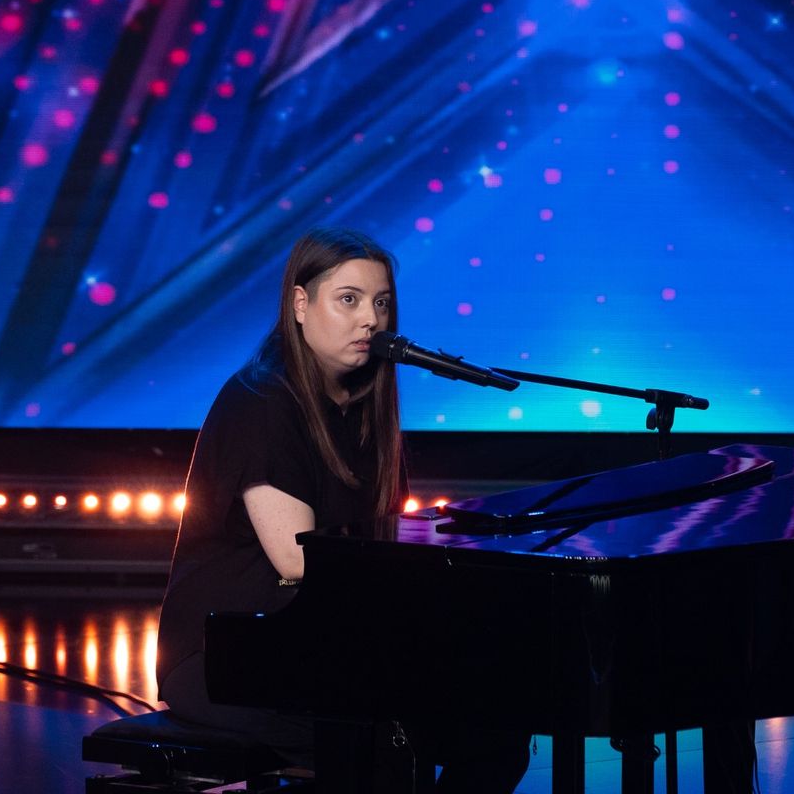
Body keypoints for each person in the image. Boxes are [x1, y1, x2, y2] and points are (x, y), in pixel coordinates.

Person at [155, 227, 528, 792]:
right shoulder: (262, 400)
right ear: (300, 304)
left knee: (496, 732)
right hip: (226, 654)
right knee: (380, 738)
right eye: (348, 300)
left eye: (381, 303)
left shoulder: (363, 406)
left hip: (324, 642)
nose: (370, 320)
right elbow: (298, 559)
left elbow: (380, 536)